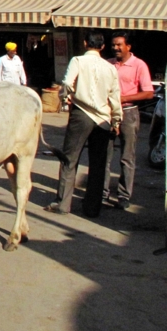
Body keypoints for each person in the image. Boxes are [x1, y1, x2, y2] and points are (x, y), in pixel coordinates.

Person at [45, 32, 123, 218]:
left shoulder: (78, 61)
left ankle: (63, 203)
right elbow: (115, 96)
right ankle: (92, 208)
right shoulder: (110, 68)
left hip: (81, 114)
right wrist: (116, 119)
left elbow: (67, 83)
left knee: (69, 160)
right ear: (103, 47)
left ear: (85, 43)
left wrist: (66, 98)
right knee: (98, 164)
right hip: (104, 118)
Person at [104, 31, 154, 210]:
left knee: (127, 157)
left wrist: (123, 99)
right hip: (108, 113)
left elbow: (148, 92)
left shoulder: (139, 65)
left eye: (119, 45)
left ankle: (124, 195)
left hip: (129, 113)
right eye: (113, 45)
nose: (115, 48)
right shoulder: (108, 64)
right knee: (105, 155)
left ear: (128, 47)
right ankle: (102, 193)